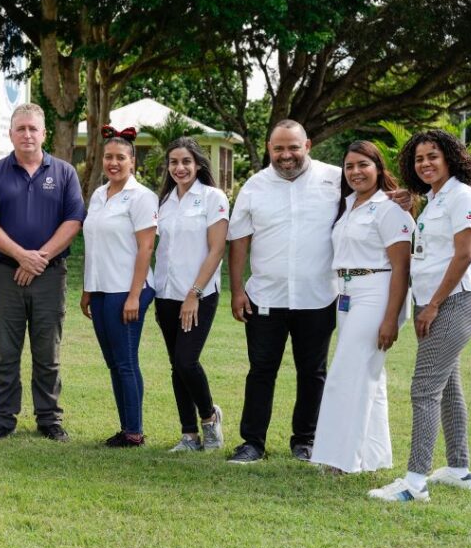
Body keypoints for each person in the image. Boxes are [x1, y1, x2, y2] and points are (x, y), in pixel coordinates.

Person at [369, 130, 471, 502]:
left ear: (450, 157)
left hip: (454, 301)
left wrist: (433, 304)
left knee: (424, 388)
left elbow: (463, 255)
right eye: (419, 158)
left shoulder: (462, 196)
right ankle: (459, 469)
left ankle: (414, 483)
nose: (425, 163)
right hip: (433, 302)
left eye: (433, 156)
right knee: (448, 386)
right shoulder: (435, 199)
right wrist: (413, 202)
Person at [226, 120, 341, 464]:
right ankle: (252, 443)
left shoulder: (336, 179)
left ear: (307, 145)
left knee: (313, 372)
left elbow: (372, 198)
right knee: (261, 370)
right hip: (266, 296)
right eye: (279, 148)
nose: (286, 155)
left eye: (293, 147)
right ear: (269, 149)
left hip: (318, 296)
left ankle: (305, 440)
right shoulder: (254, 186)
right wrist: (237, 290)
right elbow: (239, 241)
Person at [0, 103, 85, 441]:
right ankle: (2, 419)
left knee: (47, 353)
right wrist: (21, 256)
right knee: (6, 352)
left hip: (50, 275)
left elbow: (73, 221)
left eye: (33, 128)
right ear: (10, 134)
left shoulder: (64, 172)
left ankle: (49, 419)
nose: (27, 134)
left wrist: (39, 259)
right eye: (20, 128)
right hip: (7, 274)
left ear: (44, 133)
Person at [311, 141, 413, 474]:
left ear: (378, 168)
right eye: (349, 166)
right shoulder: (348, 205)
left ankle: (340, 460)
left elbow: (402, 267)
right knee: (370, 376)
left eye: (363, 165)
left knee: (346, 374)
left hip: (377, 292)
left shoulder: (389, 208)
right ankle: (374, 456)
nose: (355, 172)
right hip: (347, 293)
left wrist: (390, 318)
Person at [79, 126, 157, 447]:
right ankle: (127, 427)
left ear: (132, 161)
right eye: (108, 157)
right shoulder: (99, 195)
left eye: (120, 158)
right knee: (113, 362)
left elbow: (146, 248)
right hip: (101, 290)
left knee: (125, 362)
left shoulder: (142, 197)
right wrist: (88, 289)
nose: (113, 163)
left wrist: (134, 295)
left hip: (126, 291)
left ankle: (134, 432)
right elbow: (94, 244)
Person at [153, 137, 228, 453]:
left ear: (198, 164)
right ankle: (189, 435)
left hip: (198, 294)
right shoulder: (165, 201)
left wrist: (194, 293)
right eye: (174, 162)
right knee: (176, 365)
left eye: (186, 161)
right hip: (165, 293)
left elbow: (217, 249)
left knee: (187, 361)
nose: (179, 168)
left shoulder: (212, 198)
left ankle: (210, 419)